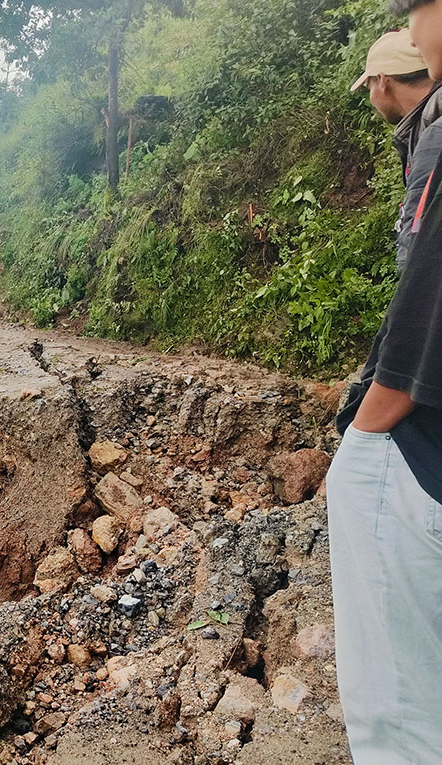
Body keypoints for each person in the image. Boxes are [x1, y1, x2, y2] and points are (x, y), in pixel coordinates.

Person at [327, 3, 442, 763]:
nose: (415, 18)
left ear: (378, 85)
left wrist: (372, 411)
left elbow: (427, 288)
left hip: (421, 422)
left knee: (397, 707)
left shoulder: (436, 135)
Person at [353, 28, 442, 270]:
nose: (371, 98)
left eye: (368, 86)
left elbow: (417, 248)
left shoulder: (435, 132)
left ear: (382, 81)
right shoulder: (424, 124)